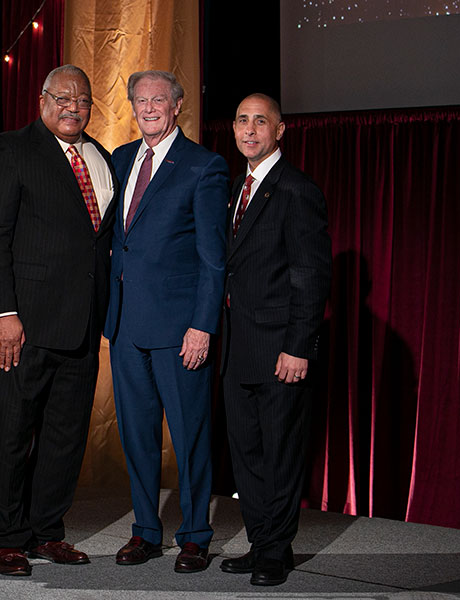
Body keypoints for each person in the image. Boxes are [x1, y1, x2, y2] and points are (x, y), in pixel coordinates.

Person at [0, 64, 117, 576]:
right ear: (41, 100)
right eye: (62, 97)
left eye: (82, 99)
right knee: (10, 430)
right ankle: (5, 536)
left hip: (81, 324)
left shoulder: (101, 157)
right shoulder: (10, 149)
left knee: (64, 435)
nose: (72, 106)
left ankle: (47, 531)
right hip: (23, 325)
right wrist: (2, 313)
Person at [103, 70, 229, 573]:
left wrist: (202, 326)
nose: (149, 107)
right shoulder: (120, 158)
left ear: (177, 107)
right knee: (136, 437)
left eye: (159, 99)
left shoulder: (204, 166)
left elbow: (213, 259)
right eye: (140, 100)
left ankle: (196, 534)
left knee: (190, 433)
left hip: (181, 332)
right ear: (132, 107)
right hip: (127, 326)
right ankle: (145, 532)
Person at [219, 93, 331, 586]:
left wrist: (299, 346)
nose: (248, 129)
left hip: (280, 351)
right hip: (236, 350)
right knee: (246, 454)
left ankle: (275, 549)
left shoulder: (296, 190)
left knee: (280, 454)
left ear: (280, 130)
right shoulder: (233, 188)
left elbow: (310, 275)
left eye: (260, 121)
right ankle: (263, 542)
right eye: (242, 120)